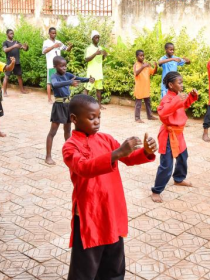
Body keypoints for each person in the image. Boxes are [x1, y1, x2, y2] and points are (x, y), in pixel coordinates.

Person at [62, 94, 157, 280]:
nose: (97, 122)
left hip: (111, 212)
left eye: (99, 117)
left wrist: (145, 151)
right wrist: (116, 153)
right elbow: (84, 167)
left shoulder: (105, 139)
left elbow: (128, 158)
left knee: (114, 268)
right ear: (74, 119)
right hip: (90, 216)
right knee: (85, 271)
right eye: (91, 118)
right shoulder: (70, 147)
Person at [151, 72, 198, 203]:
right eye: (179, 83)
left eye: (182, 82)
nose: (182, 85)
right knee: (166, 165)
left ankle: (178, 178)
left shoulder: (177, 97)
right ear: (171, 85)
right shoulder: (167, 99)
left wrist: (192, 96)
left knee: (183, 157)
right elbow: (163, 113)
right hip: (168, 135)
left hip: (178, 134)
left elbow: (184, 106)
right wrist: (178, 100)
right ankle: (156, 190)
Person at [45, 56, 94, 165]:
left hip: (68, 105)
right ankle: (48, 156)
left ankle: (70, 153)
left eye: (65, 65)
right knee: (52, 132)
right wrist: (69, 83)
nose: (64, 68)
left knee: (67, 131)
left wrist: (88, 79)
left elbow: (79, 78)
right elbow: (55, 84)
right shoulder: (54, 76)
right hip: (58, 105)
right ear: (55, 66)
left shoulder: (68, 75)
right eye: (61, 66)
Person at [42, 27, 72, 103]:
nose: (54, 34)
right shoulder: (46, 42)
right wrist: (53, 46)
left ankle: (61, 97)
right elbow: (44, 51)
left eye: (55, 33)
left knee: (61, 80)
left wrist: (70, 47)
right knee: (49, 82)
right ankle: (49, 99)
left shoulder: (58, 42)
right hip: (51, 65)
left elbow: (66, 49)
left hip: (60, 66)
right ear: (49, 33)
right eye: (52, 33)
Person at [83, 30, 107, 109]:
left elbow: (101, 59)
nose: (97, 39)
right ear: (92, 38)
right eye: (96, 37)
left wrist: (104, 55)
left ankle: (99, 105)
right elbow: (86, 59)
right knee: (87, 89)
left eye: (98, 38)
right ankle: (83, 104)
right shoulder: (89, 48)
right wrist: (95, 54)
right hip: (92, 73)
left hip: (99, 72)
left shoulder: (100, 48)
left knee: (99, 89)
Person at [2, 29, 29, 96]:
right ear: (7, 34)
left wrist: (26, 47)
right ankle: (4, 92)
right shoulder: (5, 42)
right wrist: (14, 46)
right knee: (6, 77)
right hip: (9, 63)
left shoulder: (16, 41)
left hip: (17, 62)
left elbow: (24, 48)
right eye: (11, 33)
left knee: (19, 76)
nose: (12, 35)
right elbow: (5, 50)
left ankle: (22, 90)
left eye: (13, 33)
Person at [133, 49, 158, 123]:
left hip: (146, 88)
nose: (142, 57)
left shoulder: (146, 65)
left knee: (148, 103)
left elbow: (153, 72)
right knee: (138, 104)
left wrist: (156, 67)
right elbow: (136, 73)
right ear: (137, 57)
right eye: (141, 56)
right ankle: (137, 118)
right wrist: (143, 66)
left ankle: (149, 116)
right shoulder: (136, 65)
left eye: (143, 55)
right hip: (139, 88)